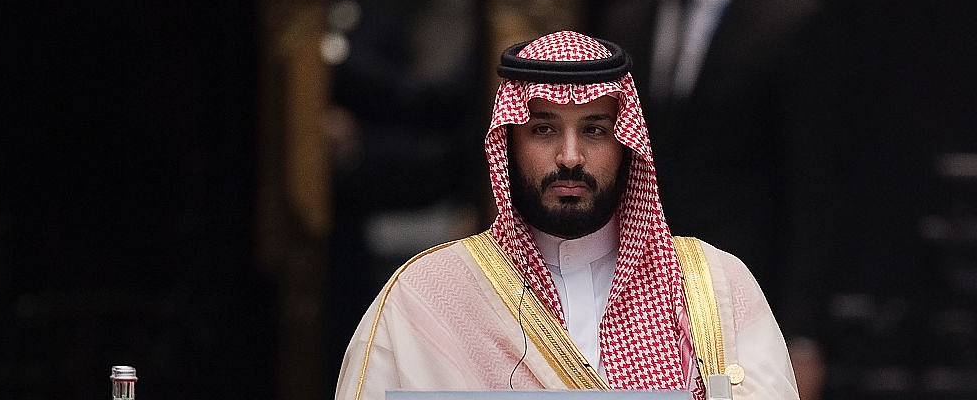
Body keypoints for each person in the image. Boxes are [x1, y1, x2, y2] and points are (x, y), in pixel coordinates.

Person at [335, 31, 801, 400]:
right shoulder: (424, 296)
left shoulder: (716, 288)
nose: (571, 156)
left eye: (595, 129)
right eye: (543, 129)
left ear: (626, 144)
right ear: (508, 143)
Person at [594, 0, 847, 398]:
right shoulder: (627, 21)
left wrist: (802, 336)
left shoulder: (790, 21)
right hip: (636, 315)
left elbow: (815, 189)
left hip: (744, 310)